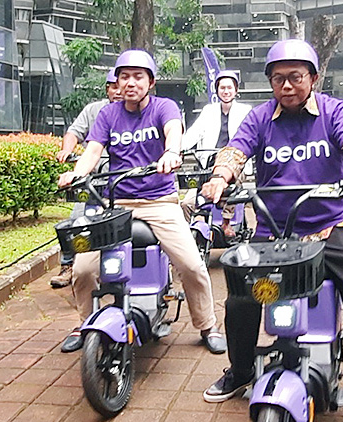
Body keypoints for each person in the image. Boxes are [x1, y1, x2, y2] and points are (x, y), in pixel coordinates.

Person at [199, 39, 343, 422]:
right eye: (278, 79)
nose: (287, 86)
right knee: (240, 298)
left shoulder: (335, 112)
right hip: (273, 231)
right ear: (270, 83)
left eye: (296, 77)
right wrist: (219, 178)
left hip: (329, 227)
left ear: (313, 79)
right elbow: (235, 150)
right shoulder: (260, 118)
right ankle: (242, 369)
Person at [57, 50, 227, 355]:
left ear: (151, 82)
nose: (130, 83)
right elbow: (93, 150)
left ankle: (206, 325)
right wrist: (76, 173)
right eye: (124, 77)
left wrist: (171, 152)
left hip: (159, 201)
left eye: (138, 77)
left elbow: (172, 131)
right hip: (118, 203)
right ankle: (84, 323)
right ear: (117, 82)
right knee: (82, 269)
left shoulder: (165, 107)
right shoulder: (108, 114)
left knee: (191, 265)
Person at [49, 68, 122, 289]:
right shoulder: (95, 111)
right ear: (108, 90)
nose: (119, 91)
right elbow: (74, 133)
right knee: (78, 217)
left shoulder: (140, 111)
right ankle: (68, 264)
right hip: (96, 179)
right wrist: (67, 151)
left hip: (126, 181)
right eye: (113, 86)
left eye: (121, 85)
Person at [180, 69, 252, 236]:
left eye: (229, 88)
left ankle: (227, 222)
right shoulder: (208, 111)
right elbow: (194, 133)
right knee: (190, 199)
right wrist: (176, 149)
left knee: (231, 186)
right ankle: (190, 230)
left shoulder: (245, 110)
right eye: (222, 88)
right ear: (217, 90)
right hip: (210, 161)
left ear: (236, 90)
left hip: (237, 162)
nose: (226, 91)